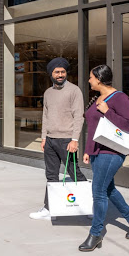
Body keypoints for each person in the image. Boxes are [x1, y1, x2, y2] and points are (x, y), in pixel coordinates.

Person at [79, 64, 129, 252]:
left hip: (112, 152)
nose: (89, 80)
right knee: (108, 189)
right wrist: (88, 150)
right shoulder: (97, 98)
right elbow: (92, 128)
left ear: (99, 79)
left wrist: (108, 111)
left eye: (91, 77)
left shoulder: (120, 98)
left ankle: (96, 234)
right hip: (97, 152)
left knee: (98, 191)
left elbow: (127, 125)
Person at [29, 57, 87, 220]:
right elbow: (45, 116)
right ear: (51, 74)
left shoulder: (74, 91)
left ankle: (88, 205)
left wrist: (75, 139)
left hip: (67, 140)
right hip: (50, 140)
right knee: (51, 175)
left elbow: (78, 117)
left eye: (63, 72)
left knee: (74, 173)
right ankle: (49, 208)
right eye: (57, 72)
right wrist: (43, 137)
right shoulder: (48, 93)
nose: (60, 74)